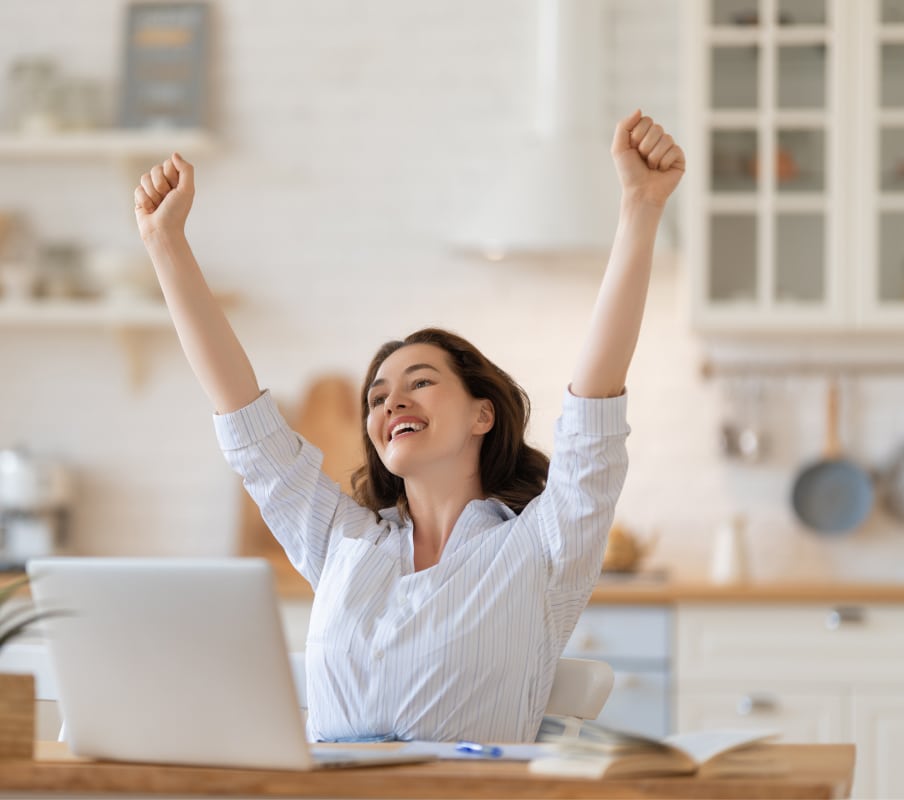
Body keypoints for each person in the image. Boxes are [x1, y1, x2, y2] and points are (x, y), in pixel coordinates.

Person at [134, 109, 684, 743]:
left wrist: (640, 207)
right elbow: (249, 429)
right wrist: (164, 243)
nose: (391, 402)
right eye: (377, 396)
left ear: (484, 413)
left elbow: (592, 419)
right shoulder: (343, 544)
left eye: (420, 381)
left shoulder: (540, 550)